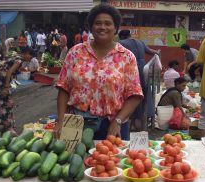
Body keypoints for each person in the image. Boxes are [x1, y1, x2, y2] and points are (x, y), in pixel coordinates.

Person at [54, 3, 143, 141]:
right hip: (75, 123)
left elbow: (135, 94)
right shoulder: (75, 52)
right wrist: (60, 121)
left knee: (111, 162)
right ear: (91, 27)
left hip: (112, 126)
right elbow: (64, 88)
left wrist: (117, 121)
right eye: (98, 23)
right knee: (74, 161)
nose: (102, 27)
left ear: (115, 28)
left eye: (108, 23)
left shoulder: (127, 57)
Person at [118, 29, 160, 132]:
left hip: (129, 70)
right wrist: (158, 52)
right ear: (129, 35)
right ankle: (141, 122)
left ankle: (130, 123)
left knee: (129, 96)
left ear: (120, 37)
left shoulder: (120, 43)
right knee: (142, 94)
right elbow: (152, 52)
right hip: (143, 69)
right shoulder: (140, 42)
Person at [0, 50, 32, 136]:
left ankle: (5, 124)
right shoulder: (19, 60)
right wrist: (6, 86)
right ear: (26, 53)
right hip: (3, 79)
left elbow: (9, 66)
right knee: (7, 102)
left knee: (0, 100)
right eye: (30, 56)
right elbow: (9, 72)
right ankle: (9, 127)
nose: (30, 58)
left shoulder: (17, 57)